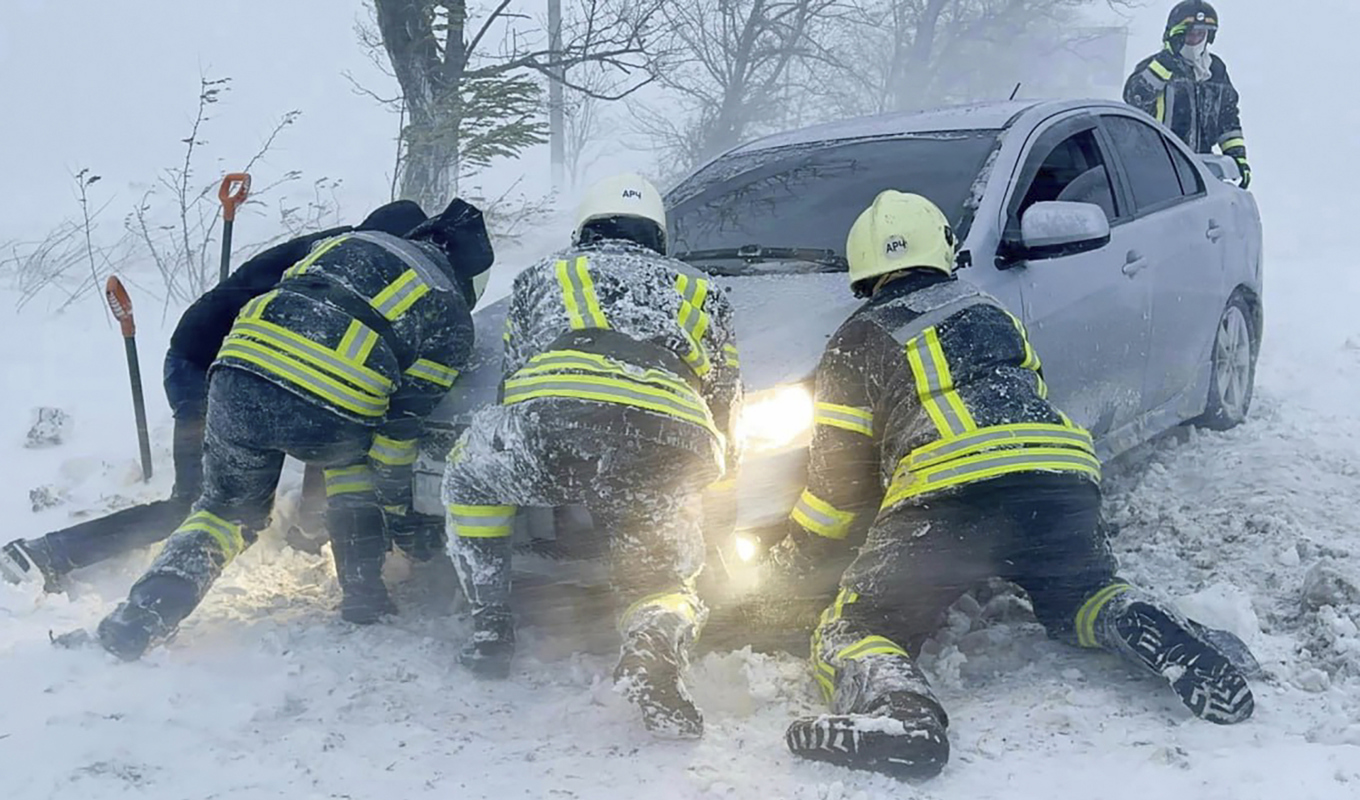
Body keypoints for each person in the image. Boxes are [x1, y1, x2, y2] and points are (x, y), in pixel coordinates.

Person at [763, 190, 1256, 780]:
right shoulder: (991, 312)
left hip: (947, 496)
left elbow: (836, 491)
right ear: (940, 249)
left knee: (858, 627)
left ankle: (903, 718)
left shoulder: (857, 339)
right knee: (1080, 594)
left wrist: (792, 561)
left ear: (863, 268)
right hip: (1060, 477)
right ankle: (1144, 623)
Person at [92, 197, 494, 661]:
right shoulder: (449, 312)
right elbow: (398, 434)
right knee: (352, 468)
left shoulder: (344, 243)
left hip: (235, 378)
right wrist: (401, 516)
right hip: (329, 406)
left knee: (224, 512)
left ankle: (144, 614)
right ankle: (364, 596)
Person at [442, 173, 742, 738]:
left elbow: (515, 381)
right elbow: (725, 405)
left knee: (470, 477)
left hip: (556, 423)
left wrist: (548, 460)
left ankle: (490, 627)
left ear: (585, 229)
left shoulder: (545, 274)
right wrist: (713, 492)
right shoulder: (706, 290)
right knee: (664, 578)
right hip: (668, 440)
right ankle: (653, 644)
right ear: (657, 234)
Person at [0, 201, 430, 591]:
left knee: (329, 418)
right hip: (205, 369)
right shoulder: (348, 265)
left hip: (252, 370)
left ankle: (305, 532)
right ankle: (45, 553)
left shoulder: (345, 253)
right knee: (196, 505)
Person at [1124, 1, 1250, 187]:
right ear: (1177, 35)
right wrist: (1165, 64)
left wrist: (1237, 157)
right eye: (1190, 34)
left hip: (1201, 170)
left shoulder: (1215, 70)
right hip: (1156, 168)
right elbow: (1135, 98)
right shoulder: (1155, 67)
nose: (1195, 39)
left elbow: (1228, 119)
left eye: (1201, 34)